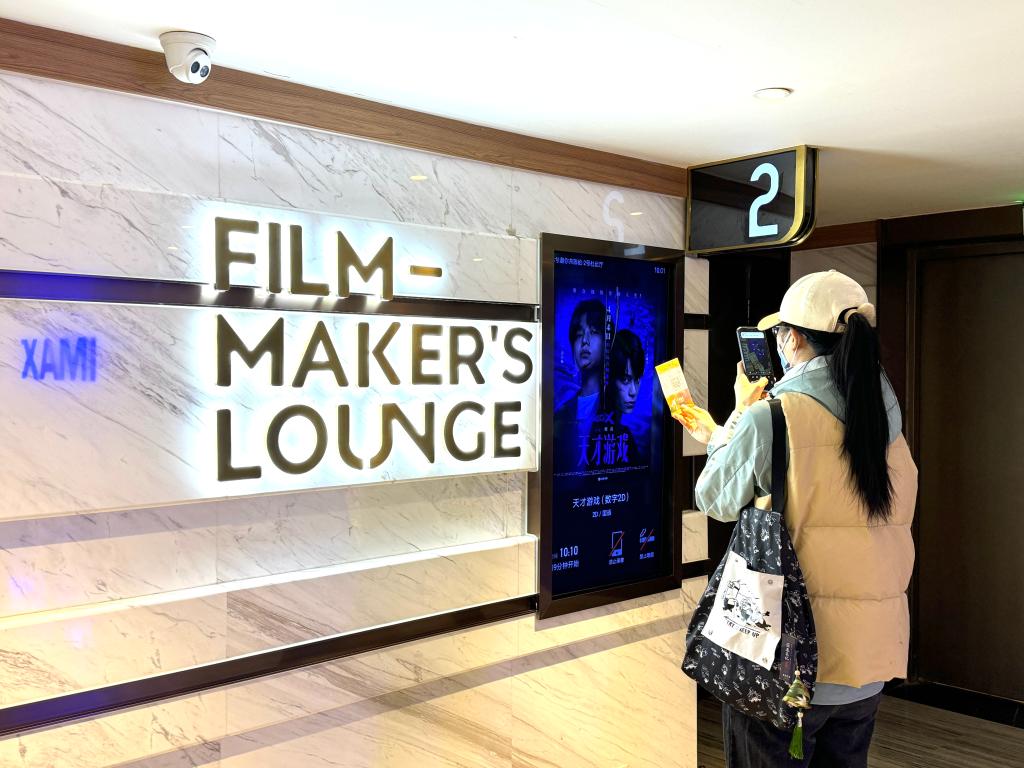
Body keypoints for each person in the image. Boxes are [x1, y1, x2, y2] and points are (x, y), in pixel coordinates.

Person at [674, 270, 917, 768]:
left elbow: (713, 498)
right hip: (870, 659)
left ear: (794, 339)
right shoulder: (886, 421)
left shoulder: (774, 416)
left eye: (781, 333)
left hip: (786, 663)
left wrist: (736, 418)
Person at [554, 299, 609, 470]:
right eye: (579, 334)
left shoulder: (617, 405)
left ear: (607, 341)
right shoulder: (561, 413)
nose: (585, 341)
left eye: (594, 332)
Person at [589, 329, 645, 467]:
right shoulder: (591, 432)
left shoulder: (625, 436)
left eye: (637, 380)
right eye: (625, 380)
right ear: (609, 379)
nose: (633, 392)